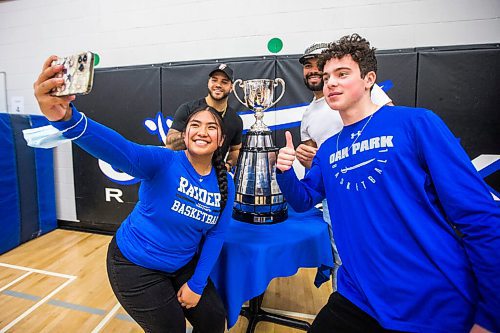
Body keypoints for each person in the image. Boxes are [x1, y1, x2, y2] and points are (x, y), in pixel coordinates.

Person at [276, 34, 500, 332]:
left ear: (369, 79)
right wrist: (285, 171)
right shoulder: (328, 149)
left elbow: (479, 215)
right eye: (327, 76)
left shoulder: (416, 123)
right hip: (359, 296)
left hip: (429, 299)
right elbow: (304, 200)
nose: (330, 82)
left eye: (342, 74)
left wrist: (490, 314)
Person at [33, 55, 235, 333]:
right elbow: (123, 151)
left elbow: (216, 234)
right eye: (195, 125)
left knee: (214, 321)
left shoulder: (227, 182)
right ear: (185, 136)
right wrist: (68, 119)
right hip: (135, 265)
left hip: (182, 264)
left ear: (221, 140)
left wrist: (197, 285)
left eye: (211, 127)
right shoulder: (163, 162)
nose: (202, 131)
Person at [296, 42, 393, 290]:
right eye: (308, 66)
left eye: (319, 64)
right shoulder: (308, 114)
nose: (313, 70)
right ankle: (345, 303)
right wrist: (307, 161)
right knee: (343, 255)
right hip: (336, 195)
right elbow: (313, 161)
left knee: (386, 251)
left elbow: (390, 126)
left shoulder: (366, 91)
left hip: (378, 187)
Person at [165, 64, 243, 172]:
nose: (218, 85)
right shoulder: (188, 109)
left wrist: (228, 165)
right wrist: (194, 135)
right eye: (214, 80)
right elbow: (170, 144)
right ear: (208, 83)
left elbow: (236, 149)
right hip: (182, 173)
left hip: (213, 178)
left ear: (231, 87)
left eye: (224, 82)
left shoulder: (235, 120)